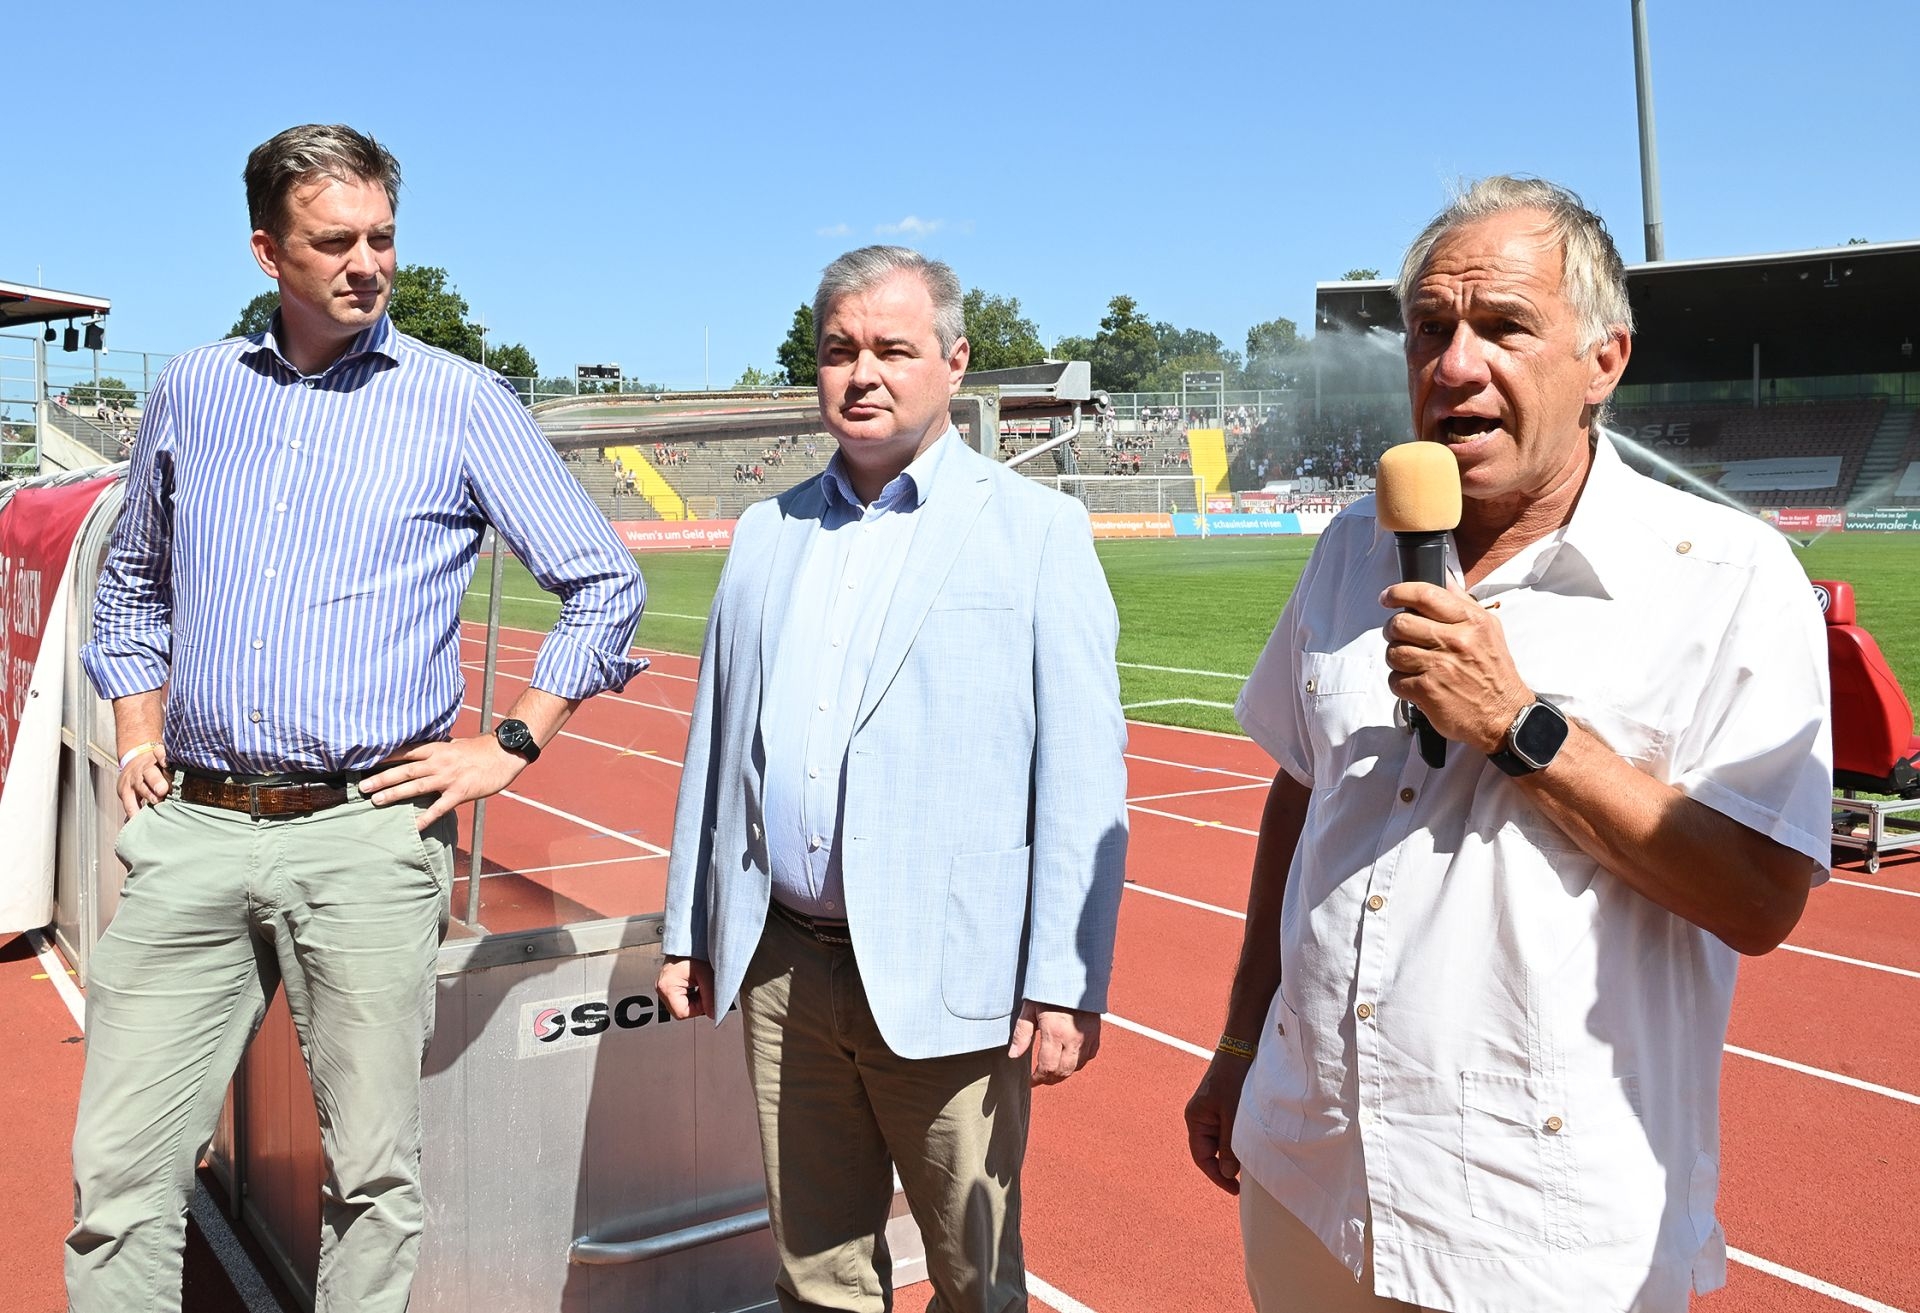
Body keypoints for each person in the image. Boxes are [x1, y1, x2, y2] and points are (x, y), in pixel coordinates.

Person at [1184, 176, 1831, 1313]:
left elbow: (1758, 898)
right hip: (1309, 1173)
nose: (1455, 364)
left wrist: (1520, 728)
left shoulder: (1727, 578)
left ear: (1603, 361)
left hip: (1532, 1227)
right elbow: (1302, 787)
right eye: (1430, 328)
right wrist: (1241, 1039)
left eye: (1503, 326)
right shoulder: (1352, 546)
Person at [68, 123, 648, 1313]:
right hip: (196, 825)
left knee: (373, 1177)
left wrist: (511, 742)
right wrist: (135, 729)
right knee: (119, 1178)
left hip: (367, 830)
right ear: (267, 251)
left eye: (383, 236)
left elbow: (604, 581)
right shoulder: (193, 389)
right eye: (335, 241)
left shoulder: (460, 399)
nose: (368, 263)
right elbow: (131, 586)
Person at [659, 245, 1128, 1312]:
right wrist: (690, 926)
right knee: (815, 1275)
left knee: (974, 1280)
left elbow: (1082, 775)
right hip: (783, 967)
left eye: (892, 349)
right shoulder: (765, 532)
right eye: (839, 350)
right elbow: (717, 743)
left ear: (954, 362)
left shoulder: (1037, 531)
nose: (862, 373)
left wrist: (1065, 976)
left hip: (950, 973)